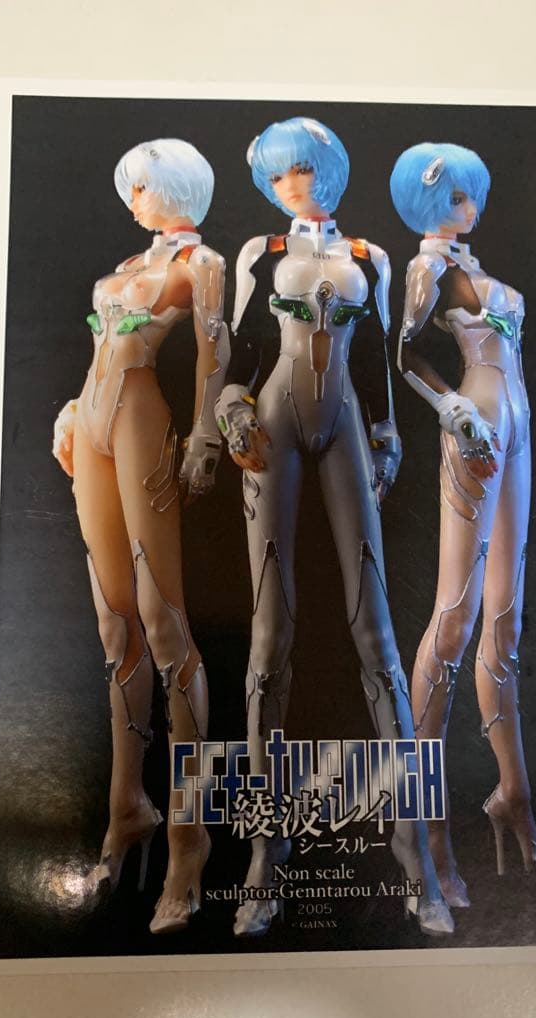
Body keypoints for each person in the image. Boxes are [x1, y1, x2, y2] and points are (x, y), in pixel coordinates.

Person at [215, 117, 452, 938]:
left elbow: (379, 357)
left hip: (348, 420)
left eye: (305, 170)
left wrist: (388, 437)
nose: (294, 185)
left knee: (375, 630)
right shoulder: (260, 253)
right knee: (267, 634)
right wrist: (231, 410)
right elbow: (243, 351)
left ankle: (415, 857)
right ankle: (264, 857)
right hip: (273, 421)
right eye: (280, 175)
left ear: (330, 171)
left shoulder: (370, 257)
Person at [52, 138, 228, 933]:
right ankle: (128, 807)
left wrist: (204, 437)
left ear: (179, 187)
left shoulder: (203, 263)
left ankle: (190, 840)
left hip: (141, 418)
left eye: (144, 187)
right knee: (114, 623)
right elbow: (102, 346)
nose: (134, 201)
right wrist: (70, 408)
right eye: (130, 189)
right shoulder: (131, 261)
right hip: (92, 420)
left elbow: (215, 351)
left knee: (164, 624)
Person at [390, 141, 536, 907]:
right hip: (477, 427)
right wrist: (453, 409)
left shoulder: (469, 261)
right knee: (456, 616)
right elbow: (404, 355)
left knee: (507, 620)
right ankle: (425, 824)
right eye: (457, 195)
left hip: (518, 426)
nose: (470, 205)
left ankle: (515, 800)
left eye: (472, 193)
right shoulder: (426, 268)